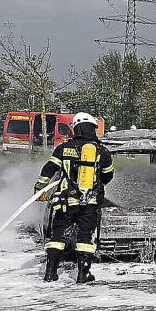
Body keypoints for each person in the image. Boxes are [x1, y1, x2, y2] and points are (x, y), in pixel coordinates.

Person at [34, 112, 114, 283]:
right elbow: (108, 176)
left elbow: (49, 169)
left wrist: (40, 187)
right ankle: (83, 274)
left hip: (65, 202)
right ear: (93, 128)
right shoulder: (102, 151)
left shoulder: (64, 148)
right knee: (85, 238)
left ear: (75, 128)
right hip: (90, 203)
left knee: (58, 236)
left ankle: (50, 272)